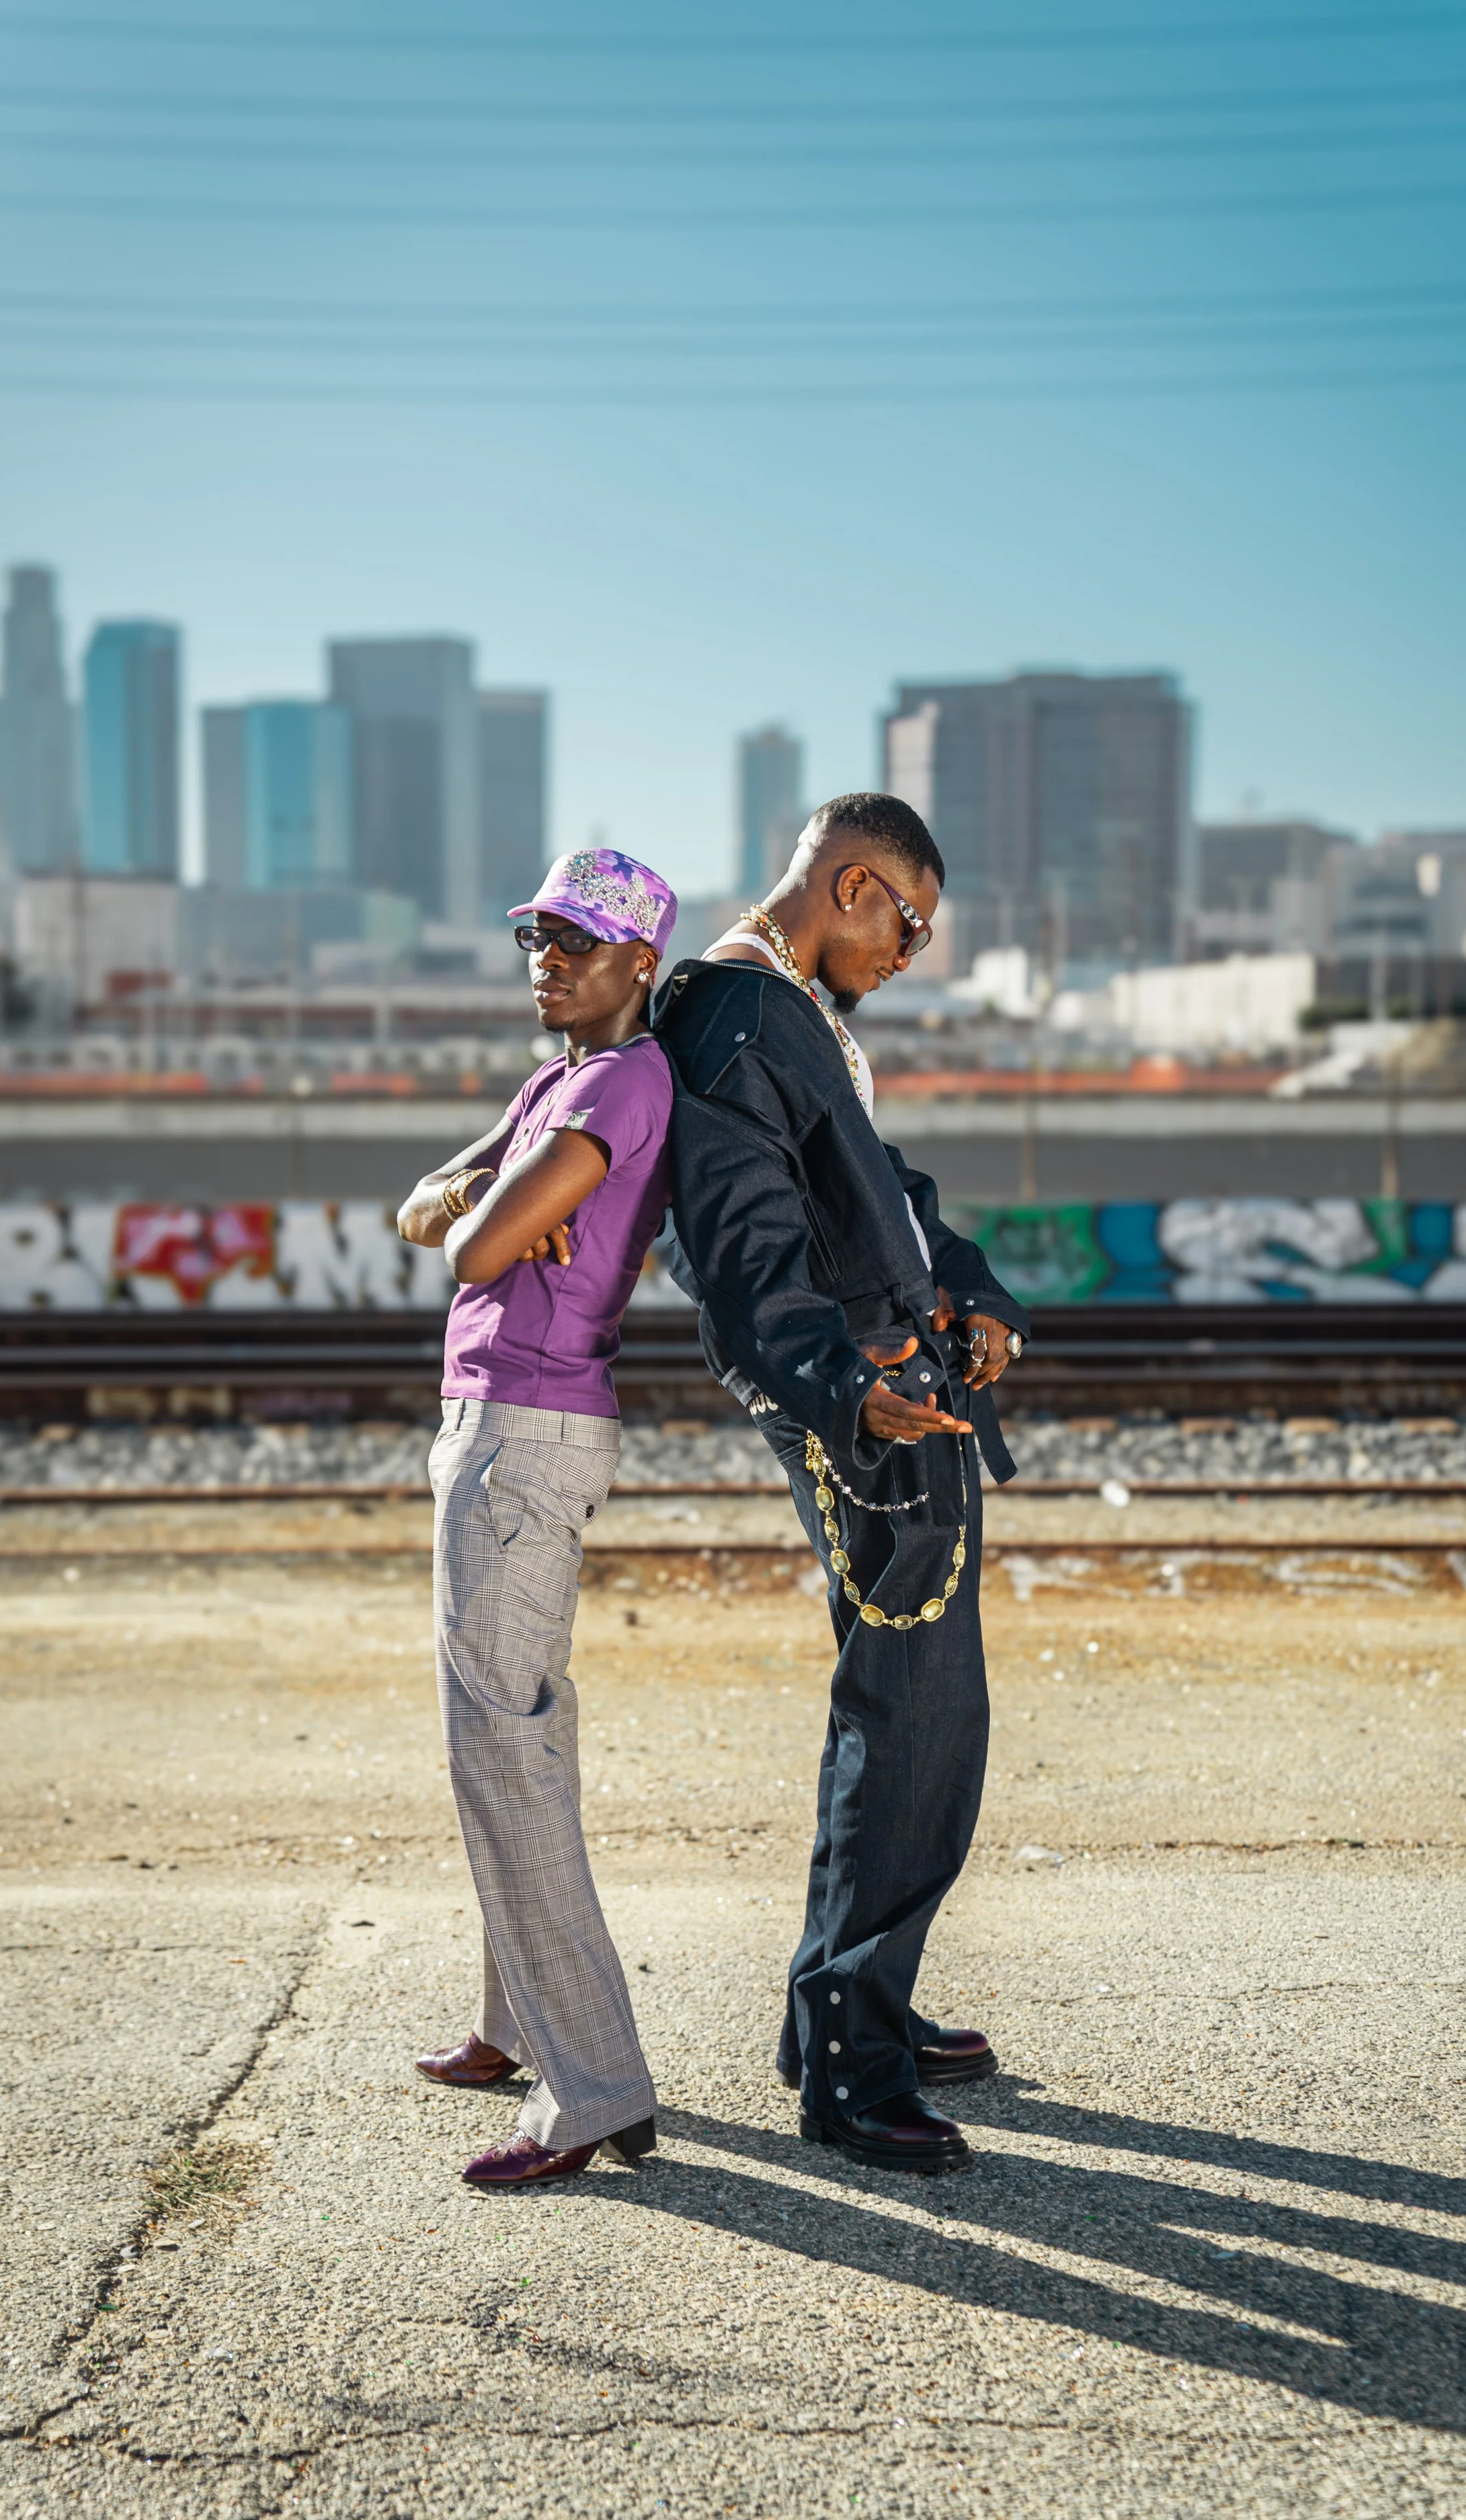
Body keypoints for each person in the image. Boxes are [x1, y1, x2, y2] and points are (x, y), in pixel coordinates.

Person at [653, 792, 1028, 2177]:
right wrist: (841, 1389)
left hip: (898, 1392)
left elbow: (891, 1196)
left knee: (922, 1718)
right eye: (912, 926)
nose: (913, 954)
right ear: (855, 886)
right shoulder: (736, 1020)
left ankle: (853, 2014)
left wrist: (975, 1293)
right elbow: (734, 1250)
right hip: (868, 1413)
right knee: (911, 1720)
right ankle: (848, 2066)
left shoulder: (796, 1018)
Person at [397, 847, 678, 2192]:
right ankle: (514, 2030)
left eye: (574, 942)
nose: (545, 961)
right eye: (534, 939)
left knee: (499, 1749)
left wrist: (490, 1213)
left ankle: (596, 2091)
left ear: (641, 963)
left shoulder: (621, 1079)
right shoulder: (550, 1085)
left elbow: (466, 1252)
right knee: (514, 1734)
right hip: (499, 1428)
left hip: (524, 1434)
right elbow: (428, 1213)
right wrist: (489, 1198)